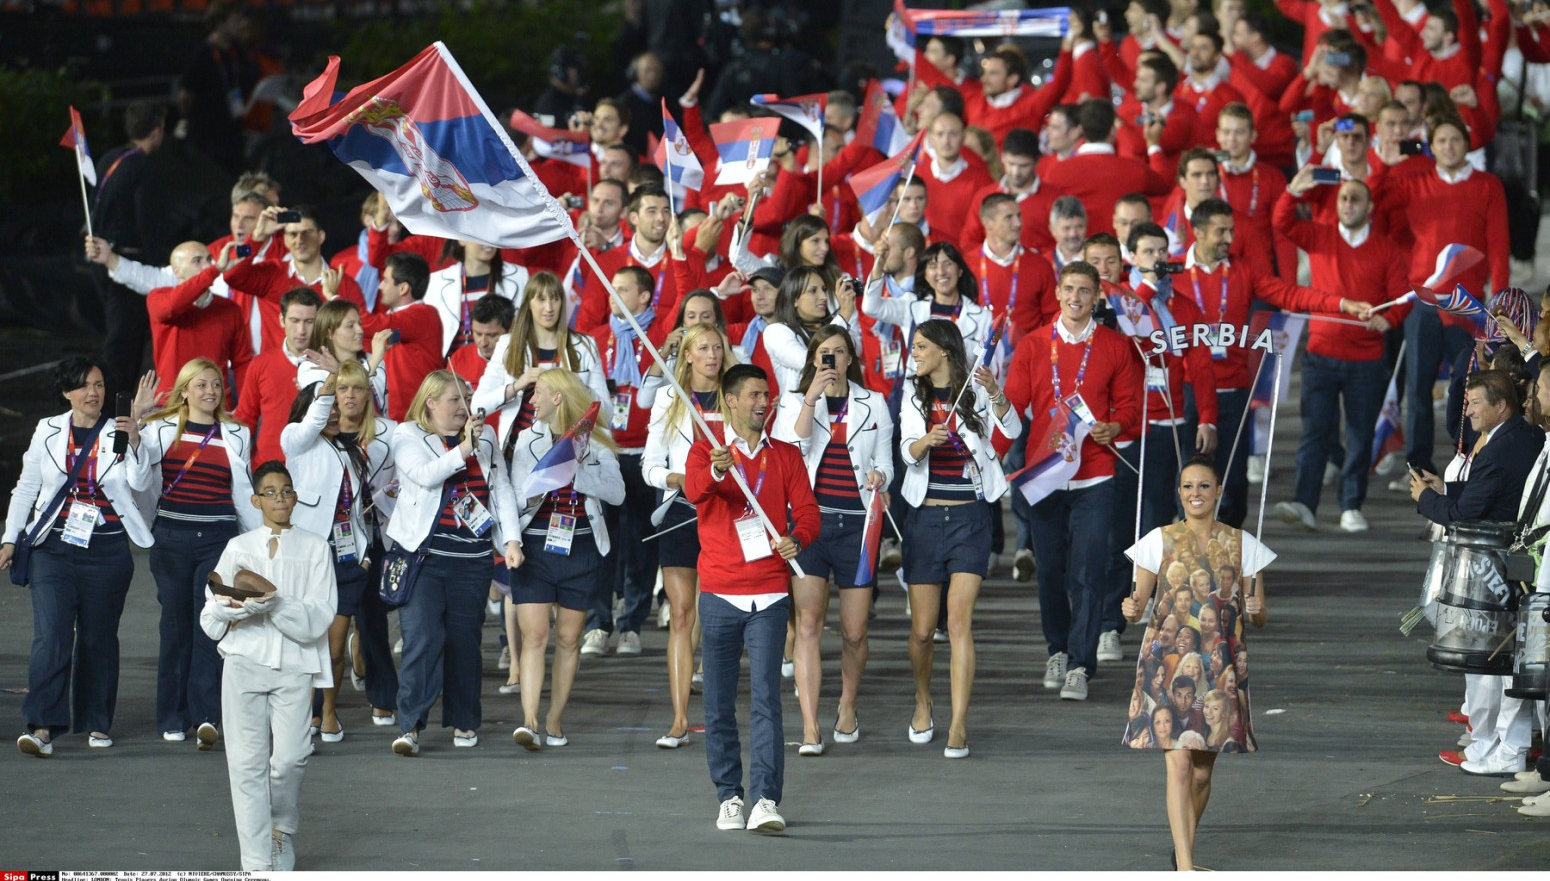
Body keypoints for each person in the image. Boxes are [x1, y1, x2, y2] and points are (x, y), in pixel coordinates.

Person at [685, 363, 821, 833]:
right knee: (718, 703)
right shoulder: (707, 451)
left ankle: (765, 799)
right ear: (731, 401)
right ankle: (729, 796)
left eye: (768, 394)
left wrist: (796, 539)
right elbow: (694, 491)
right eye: (755, 395)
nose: (764, 402)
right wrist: (716, 469)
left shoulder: (785, 455)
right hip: (719, 593)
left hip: (769, 592)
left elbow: (807, 513)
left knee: (766, 699)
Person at [1121, 454, 1273, 871]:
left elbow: (1258, 618)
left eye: (1204, 486)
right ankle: (1186, 868)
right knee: (1180, 764)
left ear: (1219, 491)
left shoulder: (1242, 543)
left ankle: (1182, 845)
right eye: (1188, 486)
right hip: (1167, 668)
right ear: (1179, 492)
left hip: (1220, 669)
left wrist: (1257, 607)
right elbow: (1136, 609)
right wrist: (1131, 608)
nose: (1195, 494)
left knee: (1202, 775)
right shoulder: (1159, 539)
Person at [1004, 260, 1143, 699]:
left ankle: (1081, 663)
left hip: (1094, 476)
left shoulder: (1116, 347)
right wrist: (990, 408)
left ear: (1096, 297)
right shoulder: (1032, 346)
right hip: (1045, 476)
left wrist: (1114, 428)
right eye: (1069, 289)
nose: (1075, 298)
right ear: (1059, 294)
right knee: (1049, 570)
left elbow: (1130, 411)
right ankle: (1057, 649)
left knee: (1087, 571)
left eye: (1084, 291)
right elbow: (1012, 408)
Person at [3, 359, 155, 757]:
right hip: (52, 549)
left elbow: (142, 484)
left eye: (100, 385)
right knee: (51, 636)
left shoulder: (119, 430)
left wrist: (137, 439)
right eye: (85, 386)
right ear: (67, 392)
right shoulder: (48, 430)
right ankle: (41, 726)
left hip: (106, 551)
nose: (94, 393)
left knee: (98, 638)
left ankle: (96, 722)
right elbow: (26, 488)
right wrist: (9, 538)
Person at [200, 461, 335, 870]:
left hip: (294, 664)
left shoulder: (315, 547)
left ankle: (281, 828)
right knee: (245, 764)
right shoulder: (239, 547)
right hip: (244, 661)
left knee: (292, 756)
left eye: (287, 490)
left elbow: (319, 616)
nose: (281, 498)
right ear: (256, 500)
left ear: (296, 497)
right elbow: (209, 620)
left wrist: (275, 604)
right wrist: (234, 610)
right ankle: (257, 861)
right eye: (271, 492)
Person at [1412, 370, 1545, 777]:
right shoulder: (1522, 437)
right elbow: (1492, 491)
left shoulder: (1497, 449)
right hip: (1517, 566)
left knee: (1494, 662)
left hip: (1497, 570)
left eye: (1474, 402)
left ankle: (1502, 749)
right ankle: (1505, 748)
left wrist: (1426, 500)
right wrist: (1445, 490)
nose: (1465, 408)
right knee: (1511, 663)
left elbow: (1467, 515)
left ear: (1499, 405)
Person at [898, 319, 1021, 757]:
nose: (915, 353)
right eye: (913, 347)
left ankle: (958, 724)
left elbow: (1013, 431)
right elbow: (904, 451)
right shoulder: (913, 395)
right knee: (923, 631)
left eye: (921, 346)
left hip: (971, 519)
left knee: (958, 623)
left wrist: (997, 395)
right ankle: (923, 698)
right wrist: (924, 443)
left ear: (944, 351)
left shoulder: (976, 390)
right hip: (925, 522)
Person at [771, 326, 893, 753]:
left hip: (858, 527)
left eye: (839, 353)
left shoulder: (872, 401)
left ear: (850, 359)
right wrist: (811, 397)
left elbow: (886, 460)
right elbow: (790, 447)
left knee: (854, 632)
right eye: (824, 353)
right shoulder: (795, 401)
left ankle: (846, 704)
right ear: (813, 359)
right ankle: (809, 725)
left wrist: (880, 476)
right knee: (808, 624)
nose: (832, 361)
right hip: (811, 525)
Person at [387, 371, 521, 756]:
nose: (465, 406)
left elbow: (501, 490)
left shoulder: (487, 437)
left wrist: (511, 540)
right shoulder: (407, 435)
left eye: (467, 397)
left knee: (465, 642)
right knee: (423, 639)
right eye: (455, 399)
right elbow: (425, 476)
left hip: (473, 560)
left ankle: (464, 719)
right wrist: (463, 449)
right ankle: (411, 725)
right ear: (431, 402)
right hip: (424, 559)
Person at [1271, 173, 1409, 532]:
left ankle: (1351, 504)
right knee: (1315, 433)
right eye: (1344, 198)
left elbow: (1402, 296)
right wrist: (1292, 190)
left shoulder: (1386, 248)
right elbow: (1281, 222)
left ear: (1370, 207)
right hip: (1320, 354)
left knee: (1361, 435)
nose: (1348, 204)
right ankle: (1305, 504)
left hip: (1365, 360)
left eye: (1356, 199)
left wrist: (1388, 318)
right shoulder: (1319, 235)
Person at [141, 357, 262, 748]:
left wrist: (253, 541)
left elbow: (241, 492)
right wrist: (135, 424)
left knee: (210, 623)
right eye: (201, 384)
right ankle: (172, 716)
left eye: (215, 385)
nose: (210, 391)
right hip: (171, 539)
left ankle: (206, 715)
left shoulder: (236, 433)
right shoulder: (158, 430)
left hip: (218, 540)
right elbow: (138, 478)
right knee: (175, 627)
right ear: (185, 389)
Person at [280, 358, 399, 740]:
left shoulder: (349, 453)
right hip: (310, 557)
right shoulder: (295, 443)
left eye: (336, 406)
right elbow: (311, 424)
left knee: (333, 647)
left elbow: (355, 510)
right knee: (305, 644)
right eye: (326, 405)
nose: (333, 412)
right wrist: (327, 387)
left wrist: (364, 555)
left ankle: (328, 710)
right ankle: (305, 713)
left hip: (348, 556)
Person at [506, 369, 625, 749]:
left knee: (570, 638)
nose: (532, 400)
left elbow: (618, 494)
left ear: (557, 397)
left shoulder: (597, 442)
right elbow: (514, 495)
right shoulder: (527, 440)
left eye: (538, 392)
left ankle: (554, 721)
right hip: (536, 547)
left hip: (582, 547)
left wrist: (577, 473)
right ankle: (529, 720)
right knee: (535, 635)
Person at [643, 323, 737, 748]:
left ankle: (719, 713)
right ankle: (679, 717)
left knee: (715, 619)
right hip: (682, 510)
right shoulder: (668, 397)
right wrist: (677, 477)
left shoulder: (736, 396)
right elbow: (649, 465)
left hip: (730, 512)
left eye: (718, 347)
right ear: (688, 356)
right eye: (704, 348)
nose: (713, 355)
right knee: (681, 615)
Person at [582, 266, 673, 656]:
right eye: (610, 289)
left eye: (622, 289)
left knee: (640, 544)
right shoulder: (594, 341)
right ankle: (597, 624)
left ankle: (631, 625)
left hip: (644, 455)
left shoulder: (659, 339)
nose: (612, 295)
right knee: (602, 543)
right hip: (605, 454)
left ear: (644, 298)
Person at [473, 271, 611, 454]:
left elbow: (607, 414)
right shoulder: (508, 344)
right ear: (528, 303)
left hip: (568, 452)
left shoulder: (586, 345)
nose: (549, 308)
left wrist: (577, 387)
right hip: (518, 451)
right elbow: (477, 405)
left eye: (554, 299)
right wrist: (517, 385)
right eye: (541, 299)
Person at [92, 101, 172, 393]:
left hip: (100, 259)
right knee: (124, 342)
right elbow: (147, 222)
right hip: (127, 266)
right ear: (157, 130)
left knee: (119, 336)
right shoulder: (144, 167)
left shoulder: (110, 157)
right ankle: (113, 406)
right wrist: (161, 268)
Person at [146, 241, 254, 402]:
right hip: (171, 405)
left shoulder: (230, 309)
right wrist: (215, 270)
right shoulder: (158, 297)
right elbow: (171, 306)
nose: (206, 266)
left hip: (216, 407)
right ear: (177, 271)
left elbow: (242, 364)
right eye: (197, 261)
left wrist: (245, 408)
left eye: (209, 260)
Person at [236, 288, 322, 465]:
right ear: (282, 320)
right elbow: (244, 420)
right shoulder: (260, 364)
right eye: (294, 321)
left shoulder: (331, 365)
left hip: (317, 468)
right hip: (268, 469)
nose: (301, 330)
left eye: (309, 322)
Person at [359, 252, 444, 420]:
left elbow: (375, 325)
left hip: (418, 420)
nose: (380, 286)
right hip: (392, 417)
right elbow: (371, 341)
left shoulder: (423, 315)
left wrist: (336, 298)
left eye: (386, 280)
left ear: (403, 288)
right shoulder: (401, 326)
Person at [763, 266, 861, 395]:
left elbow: (855, 351)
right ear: (794, 299)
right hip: (800, 412)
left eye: (824, 290)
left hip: (840, 408)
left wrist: (849, 311)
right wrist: (843, 316)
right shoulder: (775, 332)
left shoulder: (835, 322)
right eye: (813, 291)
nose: (823, 297)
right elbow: (807, 361)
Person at [425, 240, 528, 359]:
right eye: (480, 235)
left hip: (502, 366)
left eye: (491, 234)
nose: (488, 241)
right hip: (452, 371)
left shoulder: (520, 276)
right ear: (461, 240)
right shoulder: (435, 282)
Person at [296, 300, 390, 413]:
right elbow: (334, 403)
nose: (360, 330)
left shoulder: (374, 361)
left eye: (359, 324)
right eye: (350, 326)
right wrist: (374, 362)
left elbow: (383, 410)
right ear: (329, 333)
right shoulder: (312, 366)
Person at [448, 295, 517, 390]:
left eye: (492, 335)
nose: (483, 343)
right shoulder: (460, 357)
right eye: (478, 334)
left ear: (511, 328)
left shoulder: (524, 359)